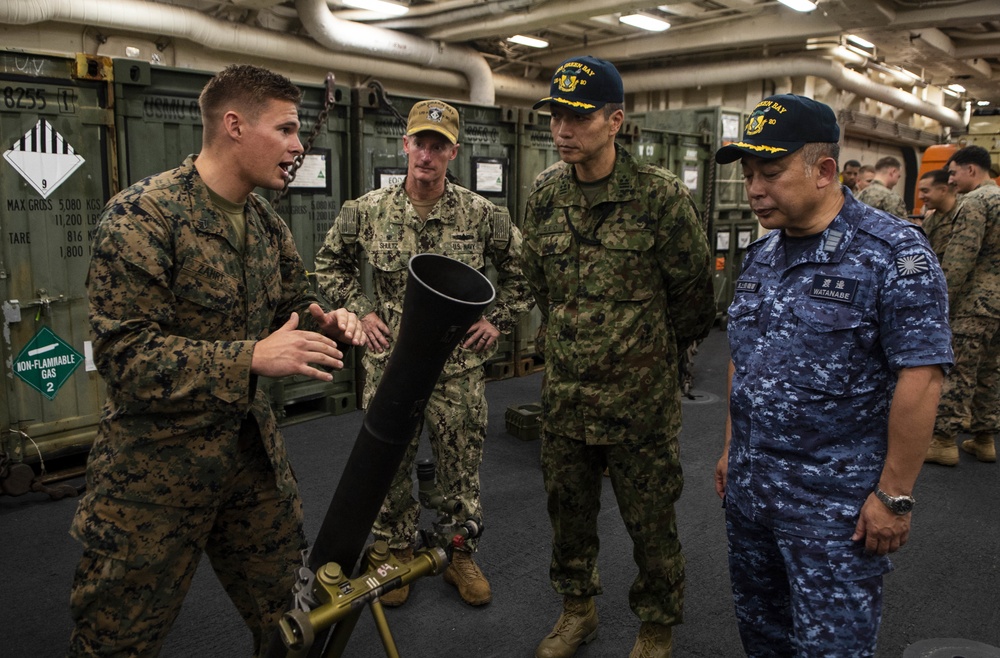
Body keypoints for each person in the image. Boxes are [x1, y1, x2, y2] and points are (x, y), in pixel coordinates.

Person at [68, 65, 366, 657]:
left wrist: (323, 316)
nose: (298, 145)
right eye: (285, 129)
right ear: (234, 125)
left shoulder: (265, 223)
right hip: (152, 479)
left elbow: (289, 299)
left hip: (249, 466)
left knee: (295, 625)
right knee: (115, 644)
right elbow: (126, 359)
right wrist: (251, 356)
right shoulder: (142, 217)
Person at [714, 93, 953, 657]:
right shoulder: (764, 253)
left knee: (832, 649)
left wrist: (894, 496)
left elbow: (922, 378)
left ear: (824, 171)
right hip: (753, 494)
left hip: (835, 510)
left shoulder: (891, 255)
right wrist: (730, 449)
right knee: (763, 636)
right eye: (748, 174)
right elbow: (742, 358)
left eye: (770, 172)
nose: (754, 189)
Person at [523, 56, 715, 658]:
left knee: (651, 521)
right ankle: (577, 609)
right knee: (568, 517)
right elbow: (542, 286)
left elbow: (693, 303)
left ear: (615, 122)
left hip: (639, 407)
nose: (562, 130)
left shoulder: (658, 198)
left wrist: (646, 361)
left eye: (577, 118)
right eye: (556, 117)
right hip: (568, 401)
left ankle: (657, 624)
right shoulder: (545, 196)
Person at [314, 99, 532, 607]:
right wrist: (361, 308)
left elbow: (526, 273)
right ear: (405, 145)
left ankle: (458, 553)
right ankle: (394, 552)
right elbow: (329, 265)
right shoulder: (367, 210)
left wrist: (494, 321)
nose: (427, 155)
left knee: (460, 462)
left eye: (439, 146)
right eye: (420, 143)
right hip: (390, 364)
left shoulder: (481, 215)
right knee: (388, 463)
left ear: (453, 152)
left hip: (456, 370)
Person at [924, 145, 1000, 465]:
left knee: (958, 370)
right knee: (990, 371)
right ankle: (984, 439)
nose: (951, 180)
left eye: (954, 172)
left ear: (972, 170)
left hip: (975, 302)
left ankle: (943, 441)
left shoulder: (975, 203)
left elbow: (960, 258)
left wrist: (942, 301)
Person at [918, 168, 961, 246]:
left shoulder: (962, 216)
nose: (920, 196)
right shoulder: (929, 220)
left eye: (925, 191)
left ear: (943, 190)